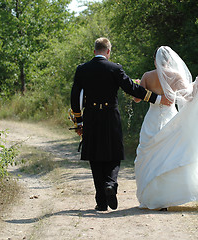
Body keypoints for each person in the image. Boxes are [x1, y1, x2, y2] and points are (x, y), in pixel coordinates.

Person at [70, 37, 171, 211]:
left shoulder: (82, 70)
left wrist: (79, 122)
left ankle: (101, 202)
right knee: (114, 154)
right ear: (108, 51)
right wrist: (158, 98)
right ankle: (110, 183)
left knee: (95, 158)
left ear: (94, 51)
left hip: (92, 117)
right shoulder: (115, 68)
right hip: (110, 116)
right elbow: (132, 88)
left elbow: (75, 98)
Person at [134, 46, 198, 210]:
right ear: (169, 60)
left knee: (150, 157)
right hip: (171, 119)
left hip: (152, 121)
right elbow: (189, 96)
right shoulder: (175, 75)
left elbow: (136, 98)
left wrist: (138, 86)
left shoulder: (147, 76)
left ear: (155, 60)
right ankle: (169, 197)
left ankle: (157, 198)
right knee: (172, 156)